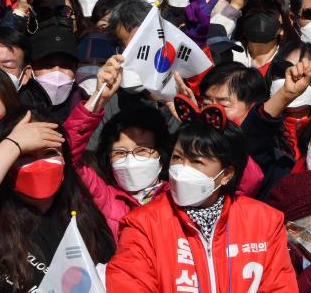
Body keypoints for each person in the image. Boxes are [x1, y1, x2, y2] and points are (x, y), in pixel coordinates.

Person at [106, 107, 298, 291]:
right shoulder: (142, 224)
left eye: (196, 161)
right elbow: (129, 284)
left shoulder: (264, 221)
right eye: (178, 158)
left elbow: (279, 286)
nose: (182, 169)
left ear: (226, 174)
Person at [0, 107, 115, 292]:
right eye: (25, 156)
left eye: (49, 153)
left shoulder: (87, 224)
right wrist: (13, 143)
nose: (40, 165)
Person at [64, 54, 172, 238]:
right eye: (120, 153)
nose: (131, 159)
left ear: (160, 154)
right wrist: (98, 100)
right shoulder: (105, 198)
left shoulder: (178, 196)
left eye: (142, 150)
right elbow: (65, 154)